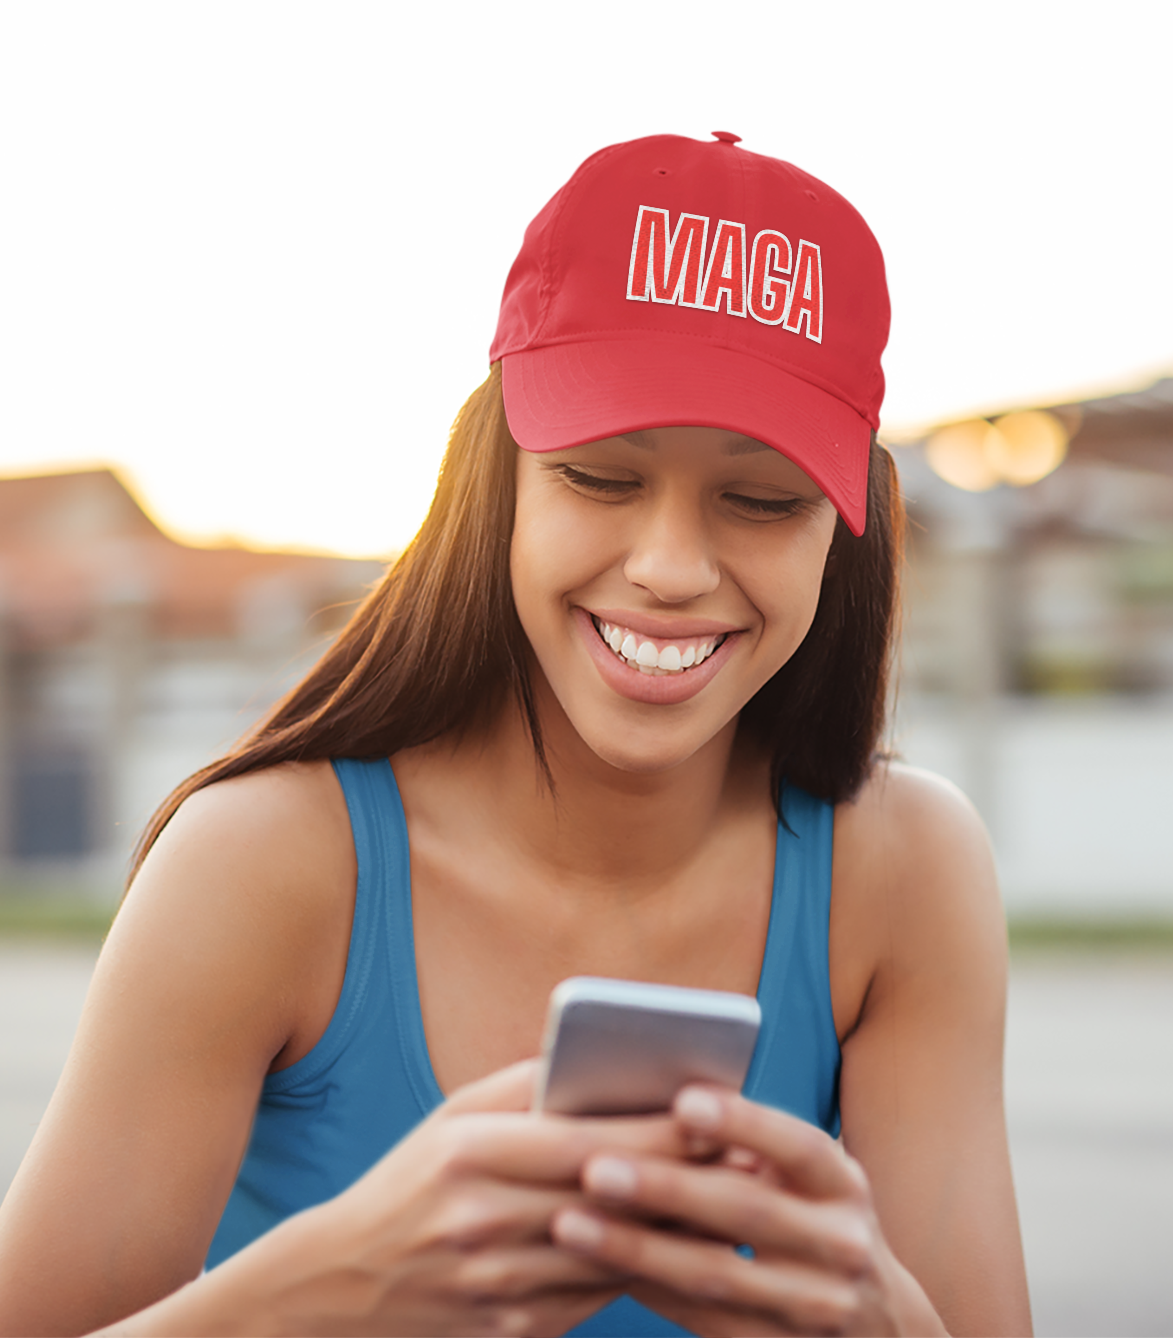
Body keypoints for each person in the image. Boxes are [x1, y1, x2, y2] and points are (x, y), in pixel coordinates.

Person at [0, 131, 1031, 1338]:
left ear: (844, 530)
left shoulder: (902, 870)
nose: (669, 567)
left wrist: (882, 1321)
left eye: (761, 499)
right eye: (600, 477)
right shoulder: (265, 861)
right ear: (497, 485)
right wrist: (331, 1288)